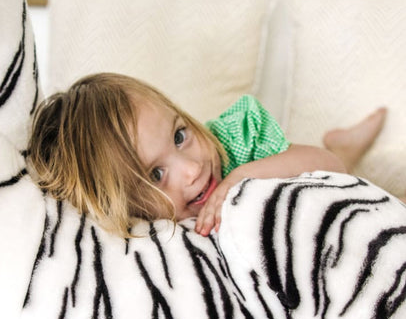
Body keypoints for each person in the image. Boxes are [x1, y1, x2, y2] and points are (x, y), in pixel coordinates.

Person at [27, 72, 386, 239]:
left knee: (372, 193)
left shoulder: (235, 150)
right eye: (156, 174)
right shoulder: (138, 236)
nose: (193, 169)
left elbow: (331, 170)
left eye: (180, 136)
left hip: (324, 176)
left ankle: (343, 146)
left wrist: (241, 178)